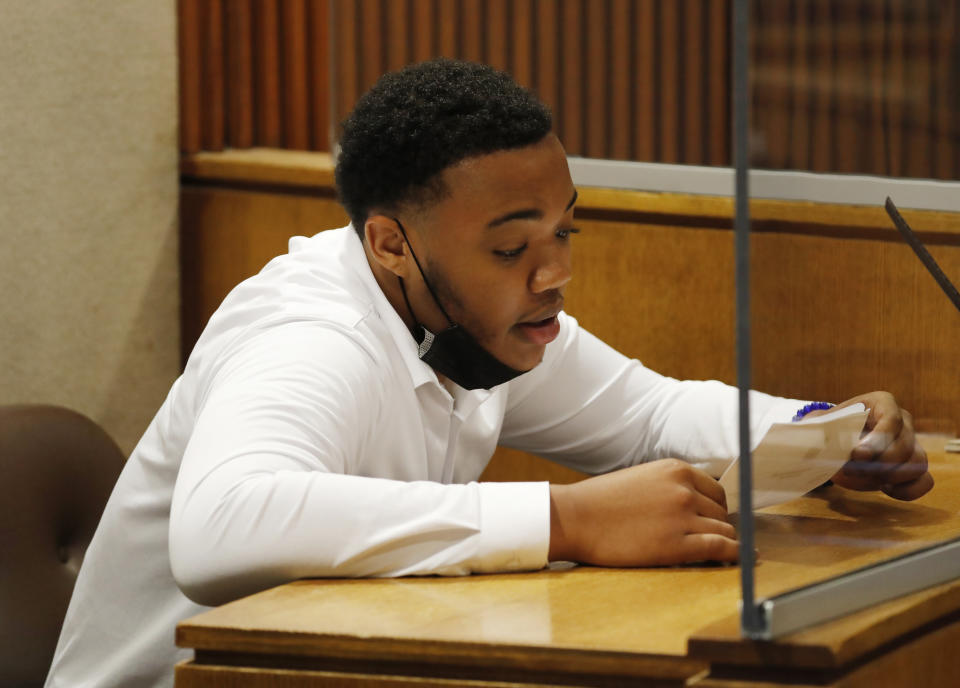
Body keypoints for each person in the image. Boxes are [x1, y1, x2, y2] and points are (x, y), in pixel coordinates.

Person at [46, 58, 932, 687]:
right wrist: (567, 519)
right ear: (390, 242)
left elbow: (652, 412)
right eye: (511, 246)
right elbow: (221, 530)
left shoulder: (481, 320)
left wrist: (828, 428)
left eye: (563, 233)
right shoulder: (310, 335)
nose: (553, 274)